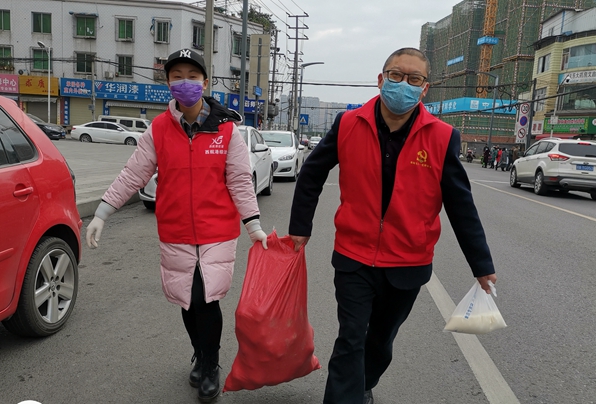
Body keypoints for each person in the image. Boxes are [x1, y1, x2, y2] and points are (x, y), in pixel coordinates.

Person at [288, 48, 496, 404]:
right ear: (381, 79)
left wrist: (482, 266)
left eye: (414, 79)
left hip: (408, 261)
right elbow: (312, 173)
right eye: (396, 75)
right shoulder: (349, 123)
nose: (404, 84)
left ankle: (364, 382)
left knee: (380, 340)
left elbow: (461, 205)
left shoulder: (442, 136)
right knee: (350, 337)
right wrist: (300, 226)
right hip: (353, 256)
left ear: (424, 88)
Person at [85, 49, 268, 403]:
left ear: (205, 82)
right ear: (168, 82)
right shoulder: (158, 129)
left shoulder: (227, 129)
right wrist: (102, 212)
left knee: (205, 297)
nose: (185, 82)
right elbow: (133, 173)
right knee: (186, 301)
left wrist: (254, 225)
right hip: (175, 230)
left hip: (217, 231)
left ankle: (211, 364)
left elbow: (240, 181)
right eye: (177, 75)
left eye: (193, 75)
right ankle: (200, 353)